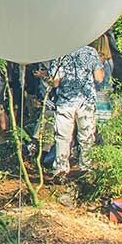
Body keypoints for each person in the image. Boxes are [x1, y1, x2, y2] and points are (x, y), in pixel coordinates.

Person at [43, 40, 104, 181]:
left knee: (63, 137)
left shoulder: (60, 53)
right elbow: (99, 78)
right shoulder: (90, 52)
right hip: (86, 101)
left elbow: (55, 82)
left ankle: (61, 169)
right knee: (87, 136)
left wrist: (45, 78)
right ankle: (86, 169)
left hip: (66, 102)